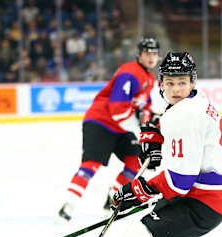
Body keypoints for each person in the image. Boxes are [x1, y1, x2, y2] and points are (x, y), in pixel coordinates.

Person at [69, 51, 222, 237]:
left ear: (192, 82)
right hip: (206, 192)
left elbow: (179, 182)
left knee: (140, 235)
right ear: (161, 83)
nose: (176, 89)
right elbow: (177, 140)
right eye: (170, 82)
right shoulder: (195, 101)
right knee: (159, 236)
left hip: (205, 202)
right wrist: (156, 137)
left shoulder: (186, 114)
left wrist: (137, 190)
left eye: (182, 82)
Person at [57, 37, 160, 222]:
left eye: (155, 53)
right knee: (91, 165)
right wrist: (140, 131)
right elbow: (118, 109)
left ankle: (112, 200)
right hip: (101, 122)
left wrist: (151, 121)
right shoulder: (130, 72)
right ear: (139, 54)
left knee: (135, 161)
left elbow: (145, 107)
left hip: (122, 127)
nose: (151, 57)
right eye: (147, 53)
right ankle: (68, 206)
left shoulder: (150, 78)